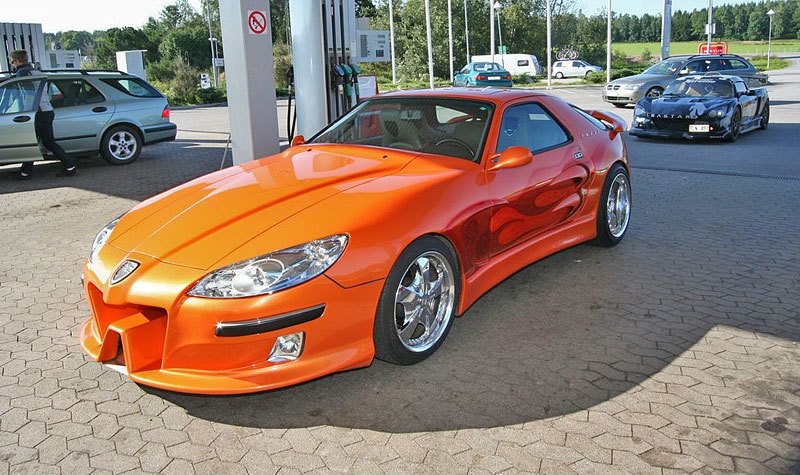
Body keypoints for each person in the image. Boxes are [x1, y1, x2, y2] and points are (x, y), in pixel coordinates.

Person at [8, 50, 77, 180]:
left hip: (38, 113)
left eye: (12, 61)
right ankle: (69, 166)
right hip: (46, 110)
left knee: (37, 142)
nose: (12, 64)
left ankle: (69, 166)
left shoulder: (23, 73)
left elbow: (27, 93)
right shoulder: (36, 71)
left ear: (17, 61)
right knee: (44, 142)